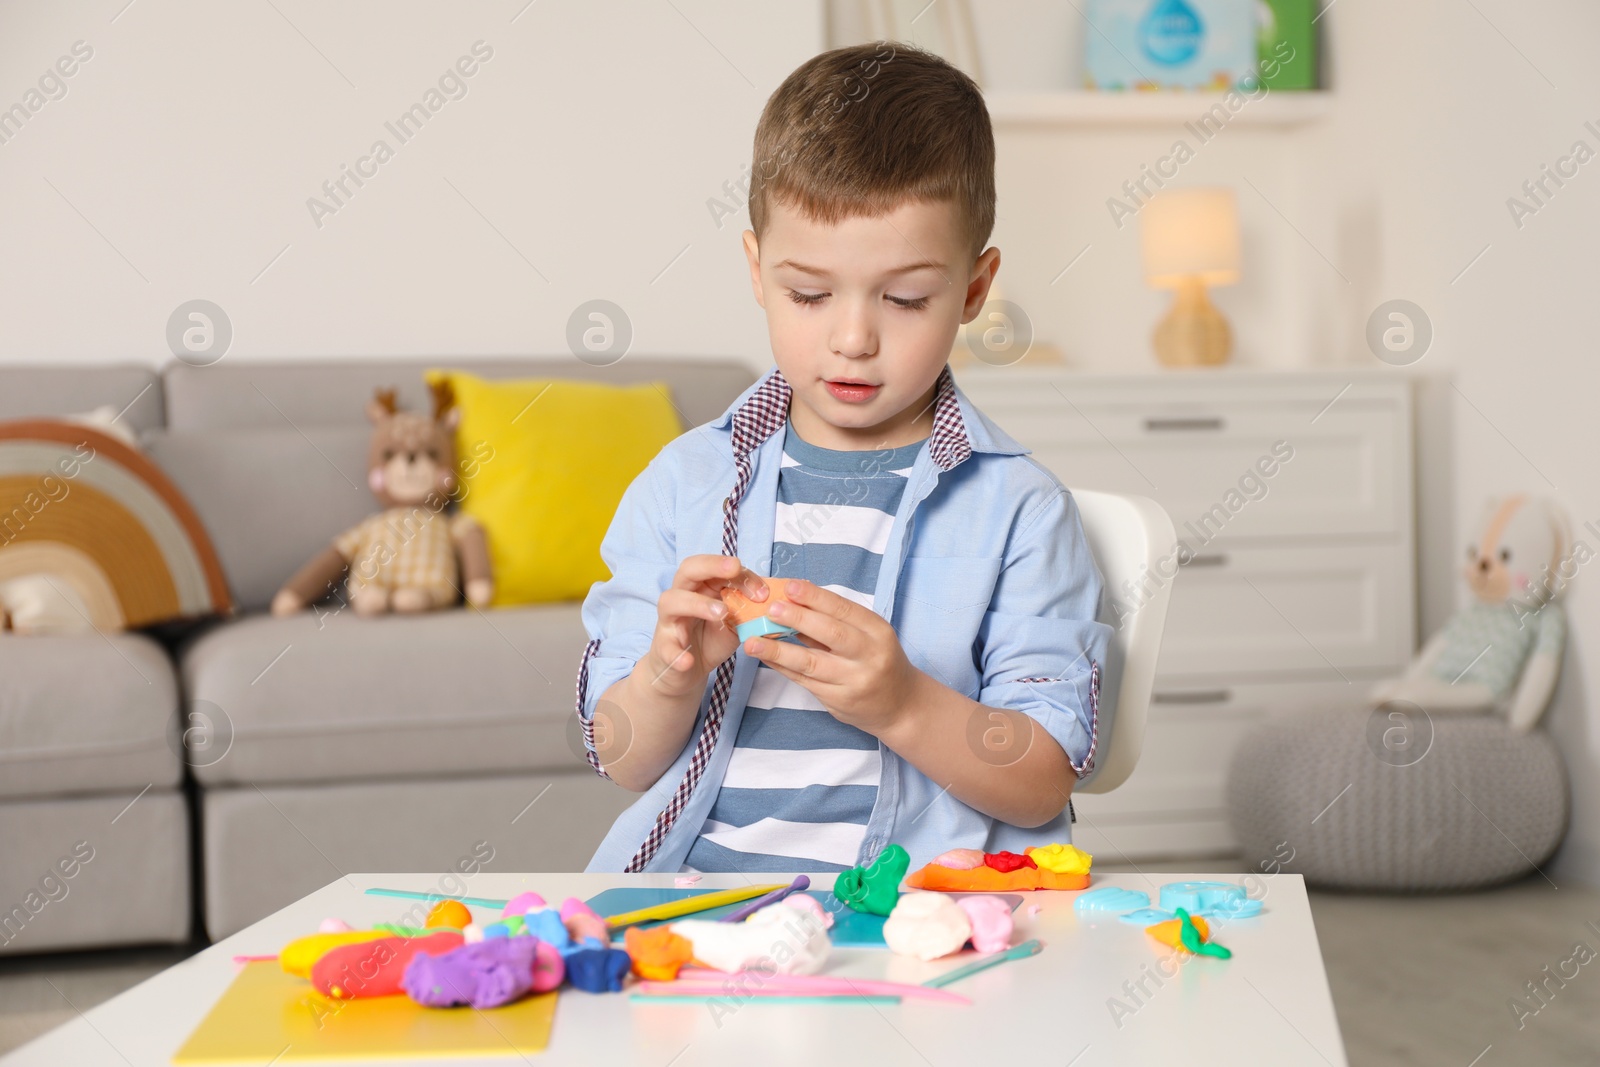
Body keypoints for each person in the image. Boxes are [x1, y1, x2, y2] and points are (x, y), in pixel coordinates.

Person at [576, 41, 1111, 874]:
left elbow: (1041, 778)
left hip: (924, 922)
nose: (853, 338)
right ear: (757, 270)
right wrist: (667, 676)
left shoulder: (1020, 511)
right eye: (809, 294)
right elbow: (621, 757)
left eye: (905, 298)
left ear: (974, 290)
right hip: (696, 908)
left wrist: (904, 704)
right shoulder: (682, 488)